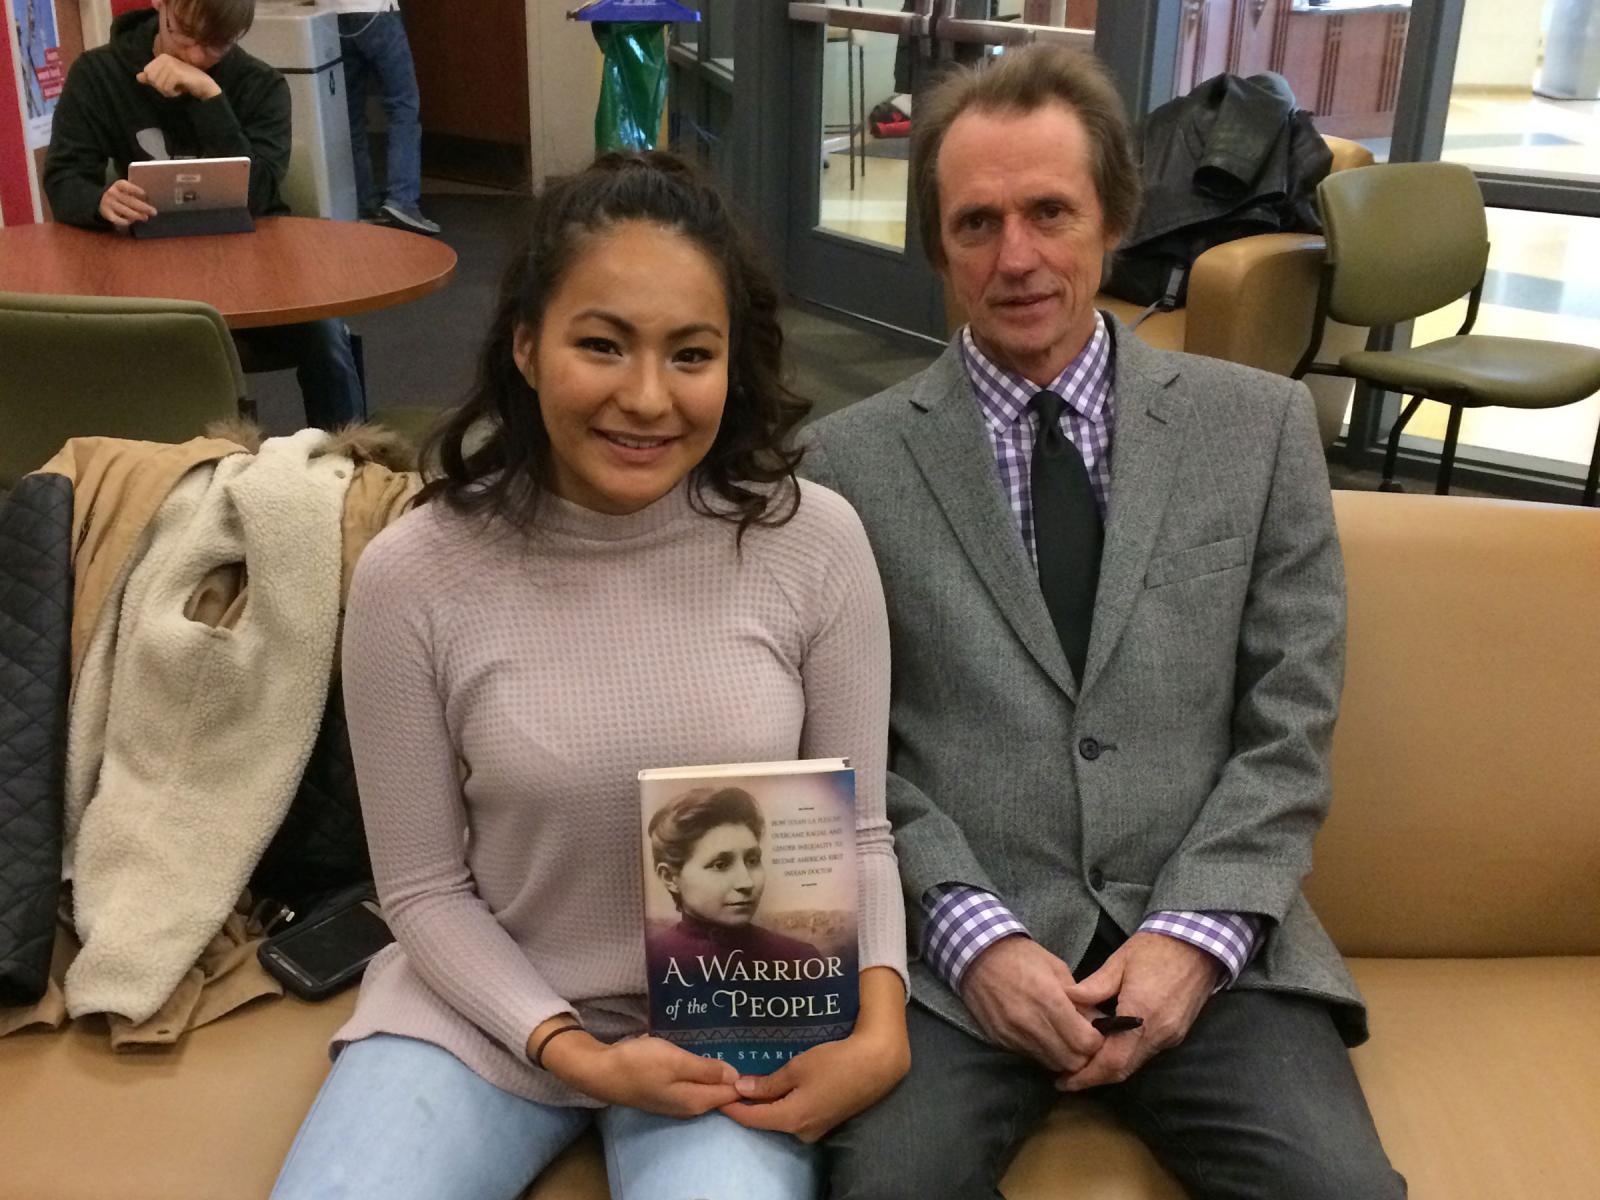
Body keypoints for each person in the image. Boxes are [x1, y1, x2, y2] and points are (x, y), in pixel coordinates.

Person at [795, 44, 1406, 1199]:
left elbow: (1289, 723)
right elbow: (847, 753)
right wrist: (974, 938)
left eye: (1049, 212)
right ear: (936, 244)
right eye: (975, 223)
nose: (1015, 257)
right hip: (955, 957)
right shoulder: (844, 467)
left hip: (1212, 944)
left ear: (1115, 217)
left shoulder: (1259, 430)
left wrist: (1197, 936)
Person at [270, 151, 910, 1200]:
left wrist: (879, 1026)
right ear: (526, 344)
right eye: (602, 345)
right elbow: (424, 891)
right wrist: (573, 1050)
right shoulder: (413, 575)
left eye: (691, 354)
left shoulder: (815, 543)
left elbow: (860, 835)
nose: (646, 398)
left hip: (734, 1018)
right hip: (480, 1012)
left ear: (732, 363)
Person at [42, 0, 367, 432]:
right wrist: (98, 200)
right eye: (183, 35)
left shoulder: (258, 84)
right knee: (112, 351)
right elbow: (65, 178)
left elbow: (257, 193)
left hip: (254, 267)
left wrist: (209, 97)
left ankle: (349, 466)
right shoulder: (99, 74)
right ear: (160, 5)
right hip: (148, 270)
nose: (194, 55)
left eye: (215, 46)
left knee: (326, 335)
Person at [646, 786, 827, 965]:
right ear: (669, 877)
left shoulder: (800, 960)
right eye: (720, 865)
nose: (746, 882)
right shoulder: (658, 959)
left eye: (752, 860)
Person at [323, 1, 439, 235]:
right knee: (403, 106)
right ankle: (402, 199)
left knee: (350, 115)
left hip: (329, 17)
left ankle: (364, 205)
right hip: (376, 12)